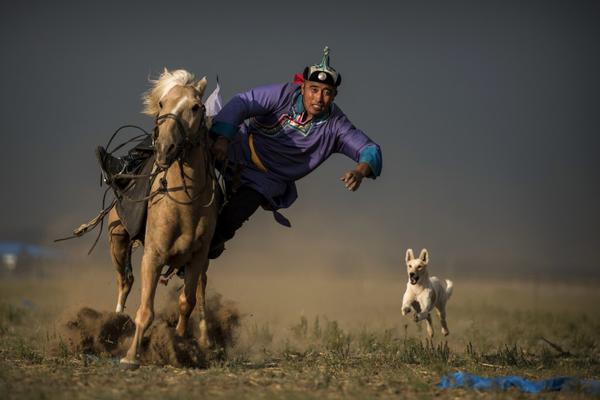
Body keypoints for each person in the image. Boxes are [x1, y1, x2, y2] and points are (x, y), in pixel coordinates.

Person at [97, 47, 382, 259]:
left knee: (228, 222)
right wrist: (222, 137)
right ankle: (126, 168)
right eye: (314, 89)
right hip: (236, 146)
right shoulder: (283, 94)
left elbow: (370, 149)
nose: (319, 98)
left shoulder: (336, 125)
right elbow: (243, 103)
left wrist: (360, 170)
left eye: (327, 93)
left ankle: (195, 258)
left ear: (334, 96)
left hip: (265, 180)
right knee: (181, 128)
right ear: (303, 86)